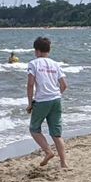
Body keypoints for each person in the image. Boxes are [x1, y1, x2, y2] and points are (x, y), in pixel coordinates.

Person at [26, 37, 67, 168]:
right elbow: (64, 85)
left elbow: (30, 84)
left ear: (37, 51)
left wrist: (30, 103)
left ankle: (48, 151)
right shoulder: (55, 64)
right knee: (56, 132)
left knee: (34, 128)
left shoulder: (34, 64)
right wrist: (57, 94)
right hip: (56, 99)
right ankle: (63, 162)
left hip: (42, 100)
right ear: (49, 50)